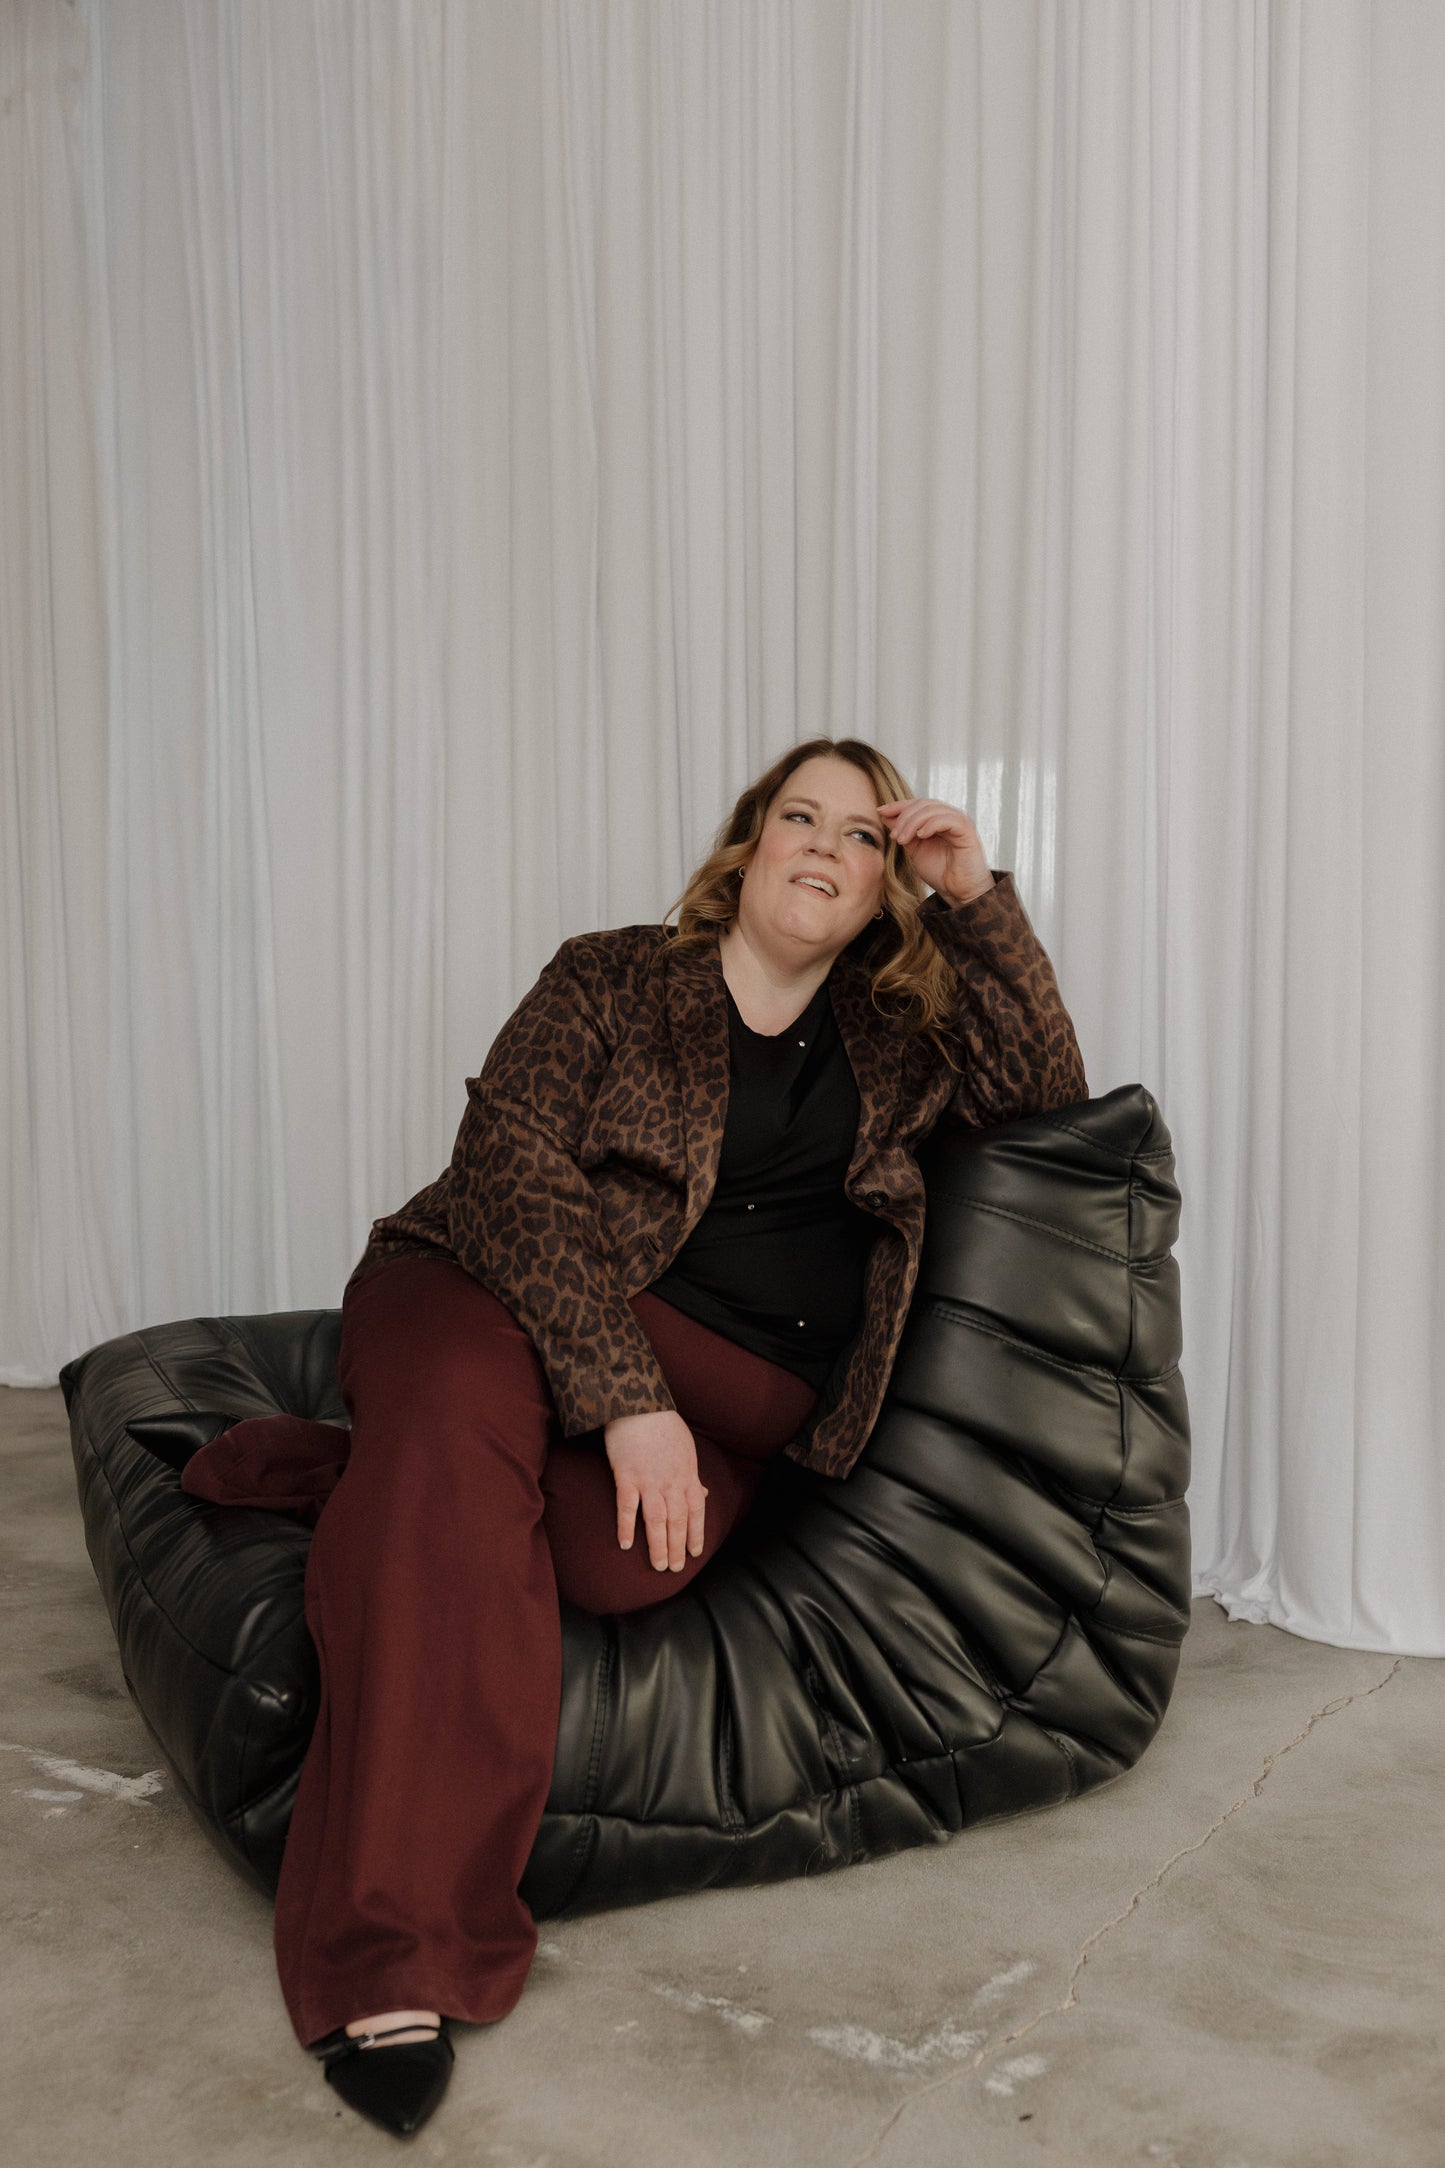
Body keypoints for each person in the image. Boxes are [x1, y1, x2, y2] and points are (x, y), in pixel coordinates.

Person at [179, 736, 1088, 2138]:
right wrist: (625, 1398)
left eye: (862, 836)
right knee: (454, 1452)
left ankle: (354, 1473)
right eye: (801, 816)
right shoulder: (610, 976)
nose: (826, 846)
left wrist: (972, 895)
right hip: (489, 1292)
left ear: (879, 887)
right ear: (747, 844)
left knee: (616, 1568)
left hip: (739, 1388)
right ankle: (392, 1952)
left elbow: (1048, 1101)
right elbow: (511, 1162)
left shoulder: (900, 1037)